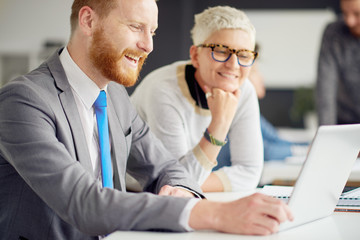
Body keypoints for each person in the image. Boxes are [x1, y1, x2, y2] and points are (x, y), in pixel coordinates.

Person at [0, 1, 292, 239]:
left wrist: (180, 191)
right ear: (88, 21)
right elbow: (85, 203)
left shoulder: (114, 95)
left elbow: (166, 167)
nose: (149, 45)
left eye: (152, 31)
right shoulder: (22, 101)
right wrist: (214, 213)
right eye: (136, 27)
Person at [131, 6, 263, 193]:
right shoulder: (163, 90)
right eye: (221, 51)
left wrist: (188, 182)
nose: (234, 65)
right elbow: (174, 183)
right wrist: (219, 125)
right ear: (195, 55)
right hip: (133, 195)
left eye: (243, 55)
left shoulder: (244, 90)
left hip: (179, 194)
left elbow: (250, 172)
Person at [248, 54, 309, 161]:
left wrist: (310, 146)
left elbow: (276, 139)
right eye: (254, 71)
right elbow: (264, 152)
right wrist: (306, 150)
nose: (262, 77)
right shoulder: (238, 112)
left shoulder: (252, 112)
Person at [316, 0, 360, 125]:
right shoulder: (333, 33)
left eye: (357, 14)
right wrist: (327, 134)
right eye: (345, 13)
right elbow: (325, 88)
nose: (349, 21)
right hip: (344, 122)